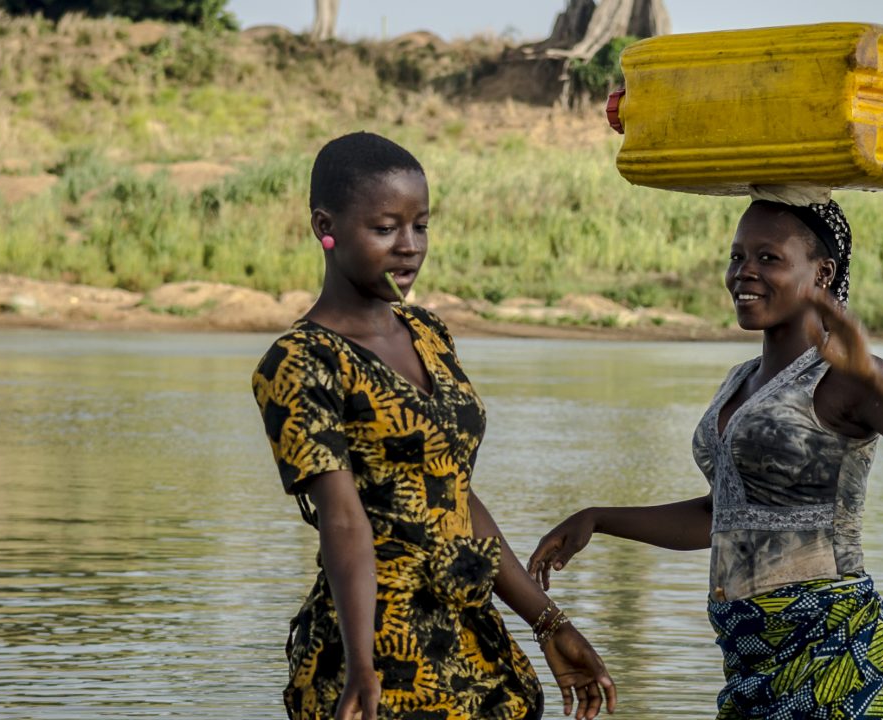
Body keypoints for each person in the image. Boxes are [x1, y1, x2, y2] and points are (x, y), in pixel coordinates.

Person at [527, 198, 883, 719]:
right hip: (752, 662)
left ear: (821, 273)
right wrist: (598, 519)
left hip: (837, 652)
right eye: (736, 256)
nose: (743, 272)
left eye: (768, 258)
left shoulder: (846, 379)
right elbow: (721, 517)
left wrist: (876, 377)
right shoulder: (738, 382)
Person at [251, 131, 617, 720]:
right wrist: (363, 664)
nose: (409, 247)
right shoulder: (300, 361)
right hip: (380, 647)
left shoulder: (429, 334)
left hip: (472, 638)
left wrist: (549, 623)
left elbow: (455, 496)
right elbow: (342, 520)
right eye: (385, 228)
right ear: (327, 225)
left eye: (420, 225)